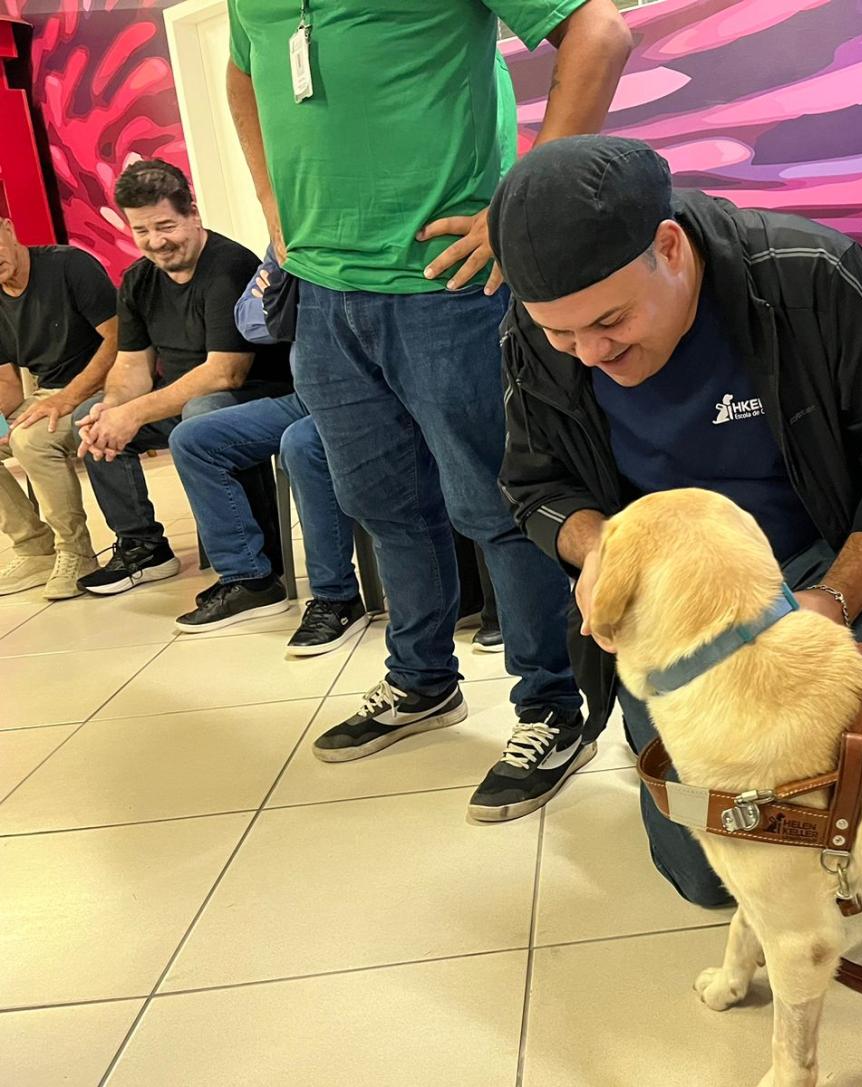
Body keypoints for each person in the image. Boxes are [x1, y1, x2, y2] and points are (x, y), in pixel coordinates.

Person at [492, 135, 862, 906]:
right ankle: (653, 729)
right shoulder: (537, 336)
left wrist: (832, 601)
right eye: (561, 334)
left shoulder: (814, 278)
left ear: (670, 249)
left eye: (609, 320)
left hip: (825, 556)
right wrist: (603, 550)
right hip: (672, 596)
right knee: (717, 877)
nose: (588, 353)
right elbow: (534, 484)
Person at [225, 0, 631, 821]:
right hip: (321, 291)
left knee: (504, 506)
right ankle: (420, 680)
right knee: (381, 503)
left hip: (448, 289)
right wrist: (272, 204)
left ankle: (550, 708)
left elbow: (601, 30)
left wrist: (521, 206)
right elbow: (244, 69)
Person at [73, 160, 291, 595]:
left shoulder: (229, 265)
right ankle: (143, 547)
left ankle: (256, 568)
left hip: (252, 396)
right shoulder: (137, 280)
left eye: (166, 226)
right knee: (91, 417)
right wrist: (112, 408)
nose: (156, 242)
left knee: (202, 414)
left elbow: (225, 373)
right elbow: (132, 365)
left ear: (193, 214)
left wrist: (134, 411)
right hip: (181, 400)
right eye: (141, 231)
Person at [167, 251, 368, 654]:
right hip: (306, 394)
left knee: (302, 443)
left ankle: (337, 596)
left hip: (364, 397)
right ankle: (250, 580)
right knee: (193, 440)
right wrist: (289, 303)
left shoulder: (348, 235)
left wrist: (281, 299)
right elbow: (251, 323)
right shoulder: (284, 242)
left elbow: (343, 317)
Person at [0, 214, 115, 598]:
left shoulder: (69, 265)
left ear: (8, 227)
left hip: (105, 388)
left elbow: (119, 342)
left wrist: (70, 397)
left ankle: (76, 551)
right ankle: (34, 549)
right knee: (11, 434)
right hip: (47, 395)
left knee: (31, 440)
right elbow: (7, 386)